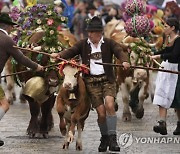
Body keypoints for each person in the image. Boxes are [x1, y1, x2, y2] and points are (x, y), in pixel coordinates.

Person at [51, 16, 130, 152]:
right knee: (101, 114)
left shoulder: (109, 43)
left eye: (97, 32)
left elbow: (119, 52)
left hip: (107, 80)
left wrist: (124, 61)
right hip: (91, 83)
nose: (94, 35)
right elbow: (70, 52)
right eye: (92, 32)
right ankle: (104, 137)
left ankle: (113, 138)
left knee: (110, 105)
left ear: (100, 33)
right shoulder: (82, 44)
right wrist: (59, 54)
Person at [0, 13, 44, 146]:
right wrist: (37, 66)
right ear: (7, 27)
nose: (11, 30)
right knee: (4, 105)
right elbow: (21, 59)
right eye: (11, 27)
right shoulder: (7, 40)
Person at [150, 17, 180, 135]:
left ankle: (179, 123)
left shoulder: (178, 40)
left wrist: (159, 57)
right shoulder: (167, 38)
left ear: (173, 28)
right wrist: (153, 54)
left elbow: (174, 55)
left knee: (177, 99)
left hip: (175, 71)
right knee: (162, 94)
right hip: (165, 69)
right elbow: (164, 51)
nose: (164, 28)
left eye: (166, 26)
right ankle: (162, 123)